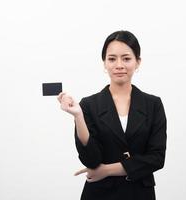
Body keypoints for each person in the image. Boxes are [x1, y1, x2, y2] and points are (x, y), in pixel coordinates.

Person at [57, 30, 167, 200]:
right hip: (100, 194)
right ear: (104, 63)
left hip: (139, 193)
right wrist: (78, 116)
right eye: (112, 58)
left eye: (126, 58)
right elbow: (91, 159)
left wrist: (107, 170)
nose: (119, 65)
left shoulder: (153, 105)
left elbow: (156, 158)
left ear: (138, 62)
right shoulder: (88, 105)